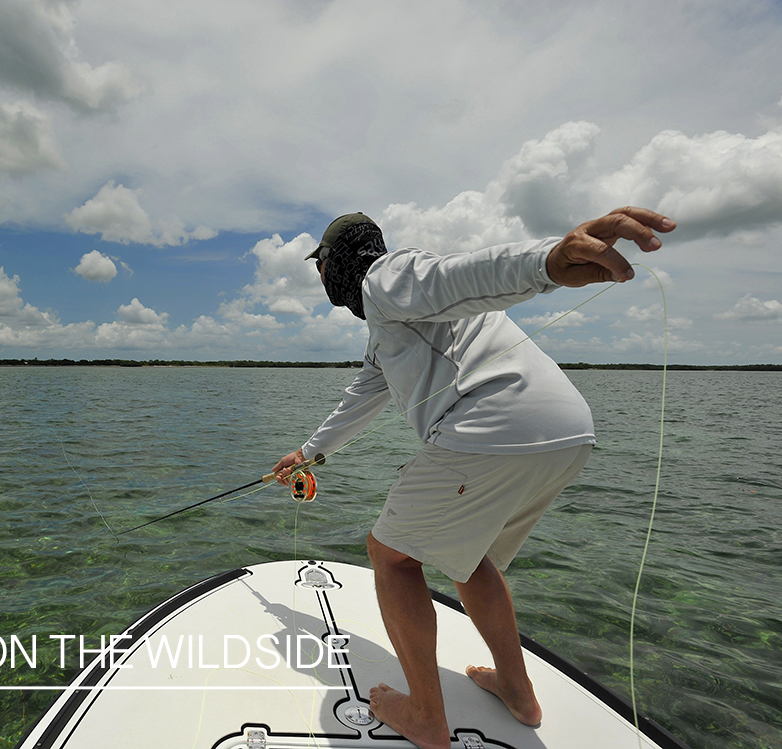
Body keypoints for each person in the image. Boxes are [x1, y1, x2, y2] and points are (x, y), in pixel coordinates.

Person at [271, 207, 676, 749]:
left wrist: (550, 262)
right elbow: (361, 399)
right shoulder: (387, 329)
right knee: (471, 558)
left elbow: (460, 273)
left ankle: (426, 718)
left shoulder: (384, 278)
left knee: (390, 555)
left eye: (321, 267)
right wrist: (308, 452)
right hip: (567, 432)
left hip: (494, 427)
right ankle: (517, 689)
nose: (322, 279)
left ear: (337, 263)